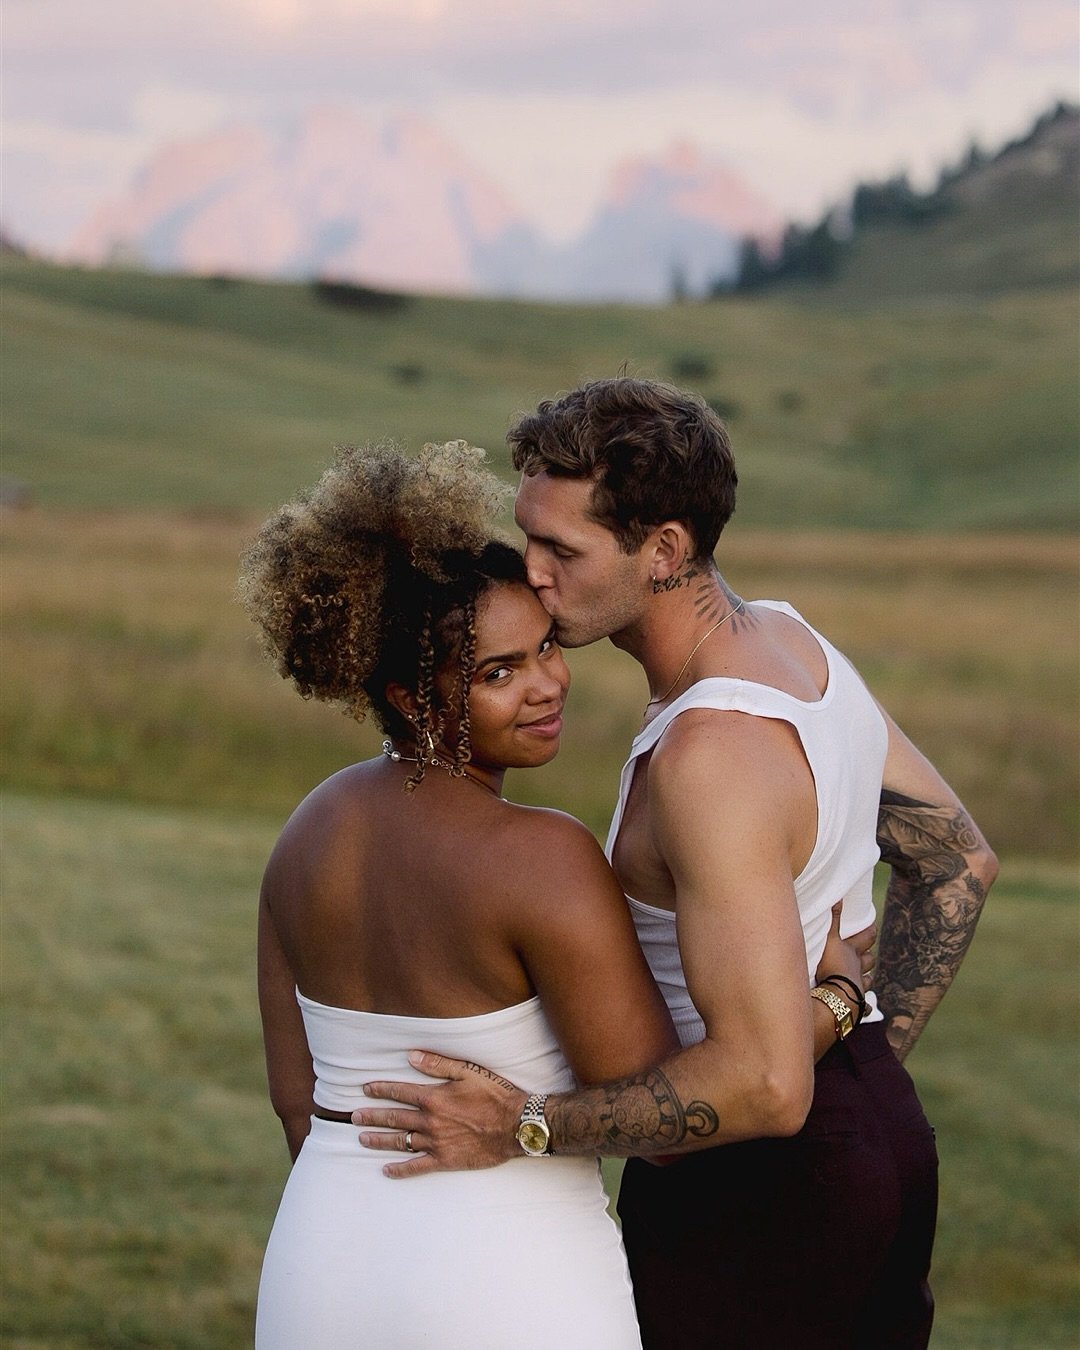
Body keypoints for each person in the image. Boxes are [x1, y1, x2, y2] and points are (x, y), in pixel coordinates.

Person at [353, 380, 999, 1349]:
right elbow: (959, 862)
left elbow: (768, 1087)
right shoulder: (792, 643)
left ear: (664, 550)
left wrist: (524, 1126)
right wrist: (862, 1070)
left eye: (561, 551)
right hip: (870, 1137)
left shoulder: (711, 754)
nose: (530, 573)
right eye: (528, 537)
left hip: (758, 1186)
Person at [239, 437, 875, 1349]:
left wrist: (368, 1234)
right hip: (506, 1275)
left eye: (543, 649)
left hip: (320, 1261)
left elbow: (296, 1102)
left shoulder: (306, 833)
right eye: (499, 674)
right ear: (410, 700)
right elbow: (662, 1113)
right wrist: (837, 994)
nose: (548, 686)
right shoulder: (541, 857)